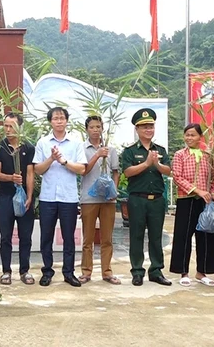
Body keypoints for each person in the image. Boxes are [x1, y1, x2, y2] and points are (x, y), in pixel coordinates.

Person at [33, 107, 86, 288]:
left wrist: (63, 161)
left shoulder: (76, 143)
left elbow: (81, 169)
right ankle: (47, 271)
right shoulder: (43, 142)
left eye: (62, 118)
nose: (59, 121)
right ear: (50, 122)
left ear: (66, 121)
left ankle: (69, 273)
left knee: (68, 237)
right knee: (46, 236)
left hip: (68, 198)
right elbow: (37, 169)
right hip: (47, 197)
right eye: (55, 118)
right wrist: (51, 158)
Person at [121, 108, 172, 287]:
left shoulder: (160, 150)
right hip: (137, 200)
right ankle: (137, 271)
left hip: (157, 200)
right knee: (136, 235)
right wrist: (146, 163)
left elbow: (168, 170)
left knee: (156, 236)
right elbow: (127, 172)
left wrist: (156, 163)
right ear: (137, 129)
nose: (148, 130)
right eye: (144, 127)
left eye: (151, 126)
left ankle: (156, 271)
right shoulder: (129, 151)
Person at [170, 123, 214, 287]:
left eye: (193, 135)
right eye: (187, 135)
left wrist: (213, 194)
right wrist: (197, 190)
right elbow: (177, 177)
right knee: (183, 236)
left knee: (206, 235)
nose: (189, 138)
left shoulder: (208, 155)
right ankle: (183, 272)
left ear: (200, 137)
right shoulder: (180, 155)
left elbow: (213, 178)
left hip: (205, 200)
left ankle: (202, 272)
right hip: (186, 199)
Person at [0, 113, 35, 285]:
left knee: (25, 236)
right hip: (6, 197)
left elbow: (31, 173)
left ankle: (25, 270)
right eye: (6, 126)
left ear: (19, 127)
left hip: (24, 197)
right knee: (5, 236)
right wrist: (11, 178)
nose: (8, 129)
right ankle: (6, 271)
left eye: (12, 126)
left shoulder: (28, 147)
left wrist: (30, 196)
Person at [79, 115, 121, 285]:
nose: (95, 130)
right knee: (88, 238)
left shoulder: (111, 150)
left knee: (107, 238)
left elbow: (116, 172)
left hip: (108, 200)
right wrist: (97, 155)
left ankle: (107, 272)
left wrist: (115, 191)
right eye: (92, 127)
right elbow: (83, 170)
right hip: (89, 199)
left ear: (103, 128)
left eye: (98, 126)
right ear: (86, 129)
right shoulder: (81, 148)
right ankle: (86, 272)